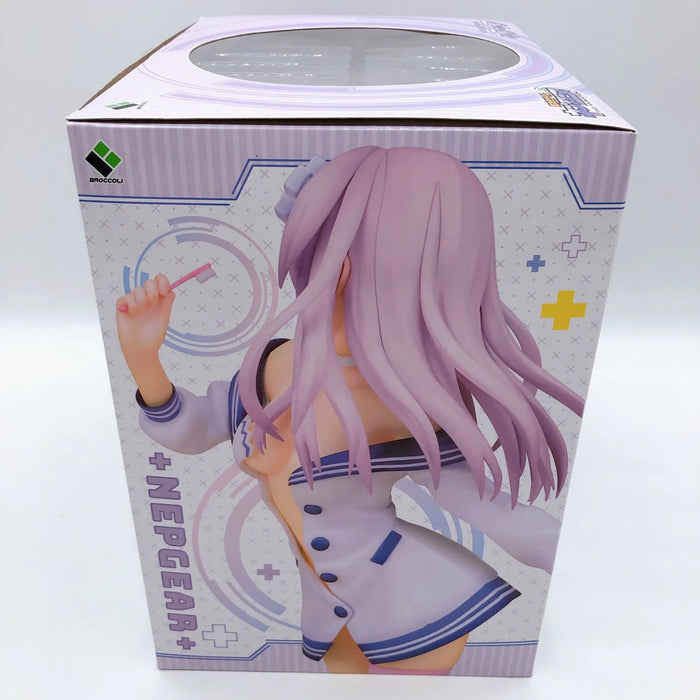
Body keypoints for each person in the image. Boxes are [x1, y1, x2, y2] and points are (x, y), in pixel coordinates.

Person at [116, 146, 584, 675]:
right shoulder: (276, 363)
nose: (328, 265)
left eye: (346, 247)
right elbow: (192, 429)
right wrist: (143, 360)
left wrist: (586, 564)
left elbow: (487, 507)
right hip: (329, 612)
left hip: (417, 608)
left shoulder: (410, 396)